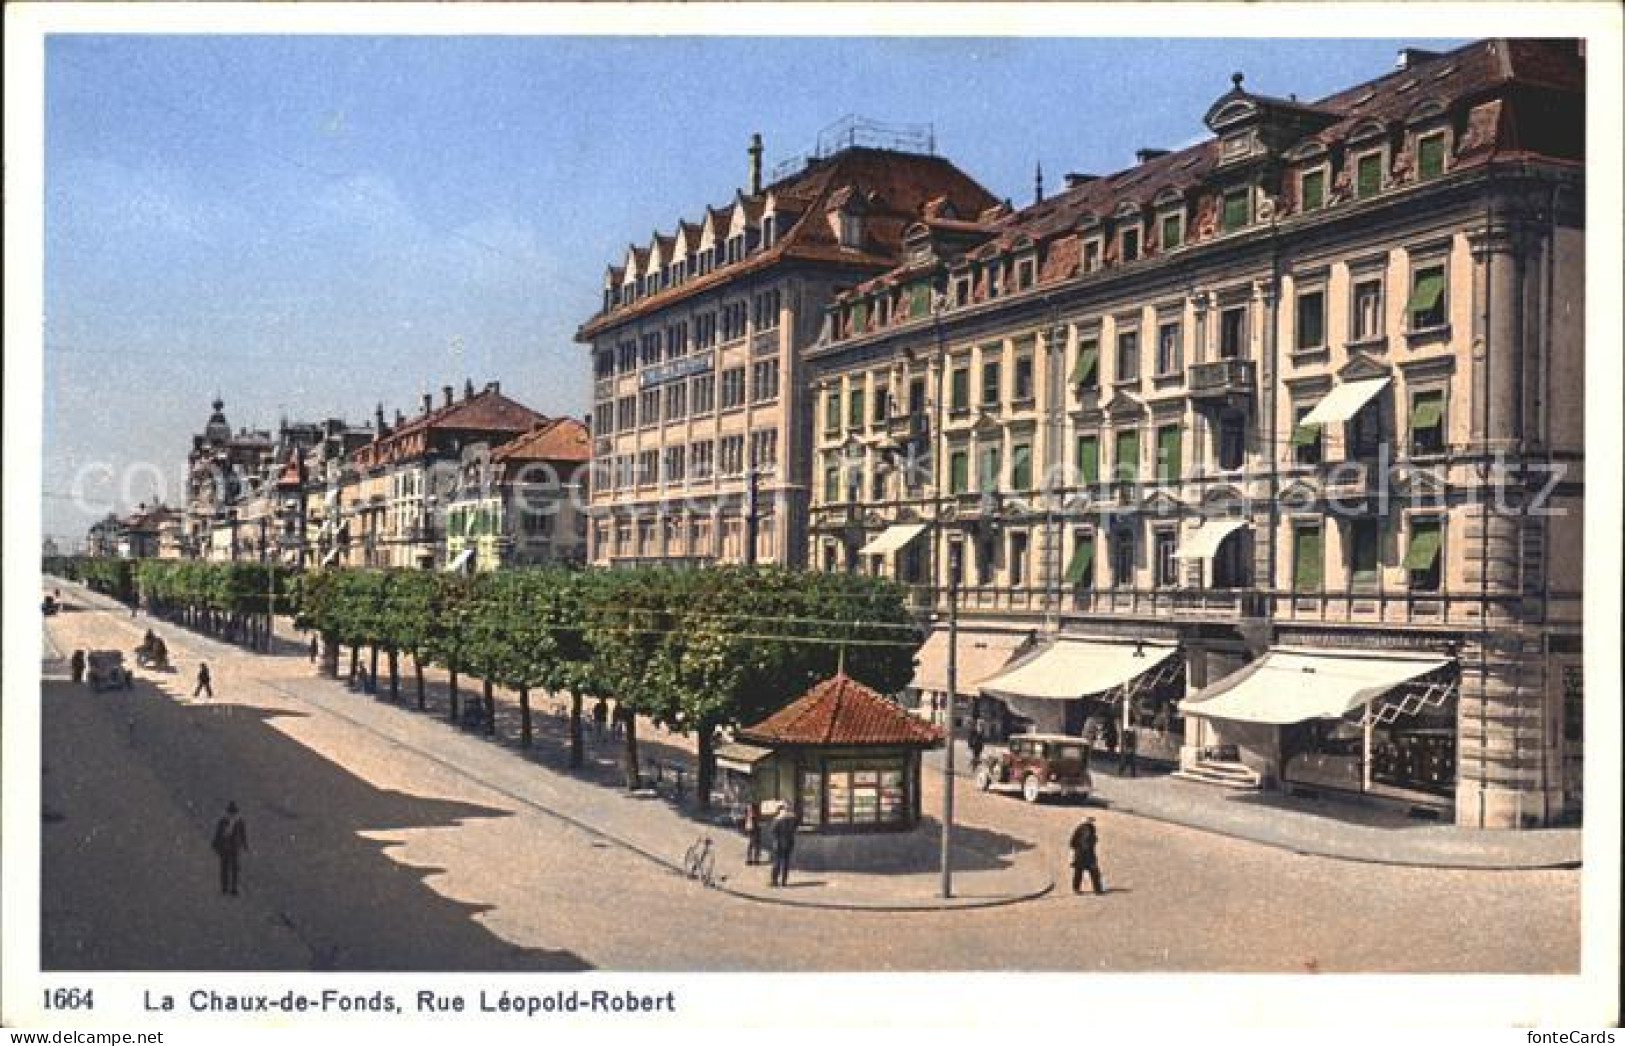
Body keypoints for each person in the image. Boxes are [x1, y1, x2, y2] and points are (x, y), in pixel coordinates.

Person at [212, 802, 249, 896]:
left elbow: (243, 835)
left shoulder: (239, 822)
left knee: (233, 868)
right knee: (227, 868)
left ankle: (233, 888)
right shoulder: (225, 822)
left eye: (233, 813)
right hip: (226, 848)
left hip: (233, 848)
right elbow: (218, 834)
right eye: (231, 812)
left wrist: (244, 845)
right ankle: (226, 887)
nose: (232, 815)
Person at [1069, 816, 1104, 895]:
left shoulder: (1081, 829)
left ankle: (1076, 889)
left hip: (1081, 854)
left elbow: (1072, 843)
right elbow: (1087, 843)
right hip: (1086, 855)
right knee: (1094, 872)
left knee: (1079, 872)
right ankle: (1097, 890)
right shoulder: (1088, 829)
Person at [768, 801, 799, 887]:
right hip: (789, 842)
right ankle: (784, 881)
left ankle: (774, 881)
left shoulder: (779, 818)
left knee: (777, 862)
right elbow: (795, 827)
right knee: (786, 861)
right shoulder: (793, 818)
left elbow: (773, 830)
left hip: (778, 843)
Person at [742, 801, 763, 865]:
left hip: (751, 828)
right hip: (754, 828)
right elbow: (757, 819)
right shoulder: (754, 810)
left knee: (752, 844)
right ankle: (754, 859)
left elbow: (745, 819)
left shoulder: (749, 810)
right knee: (754, 844)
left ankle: (751, 859)